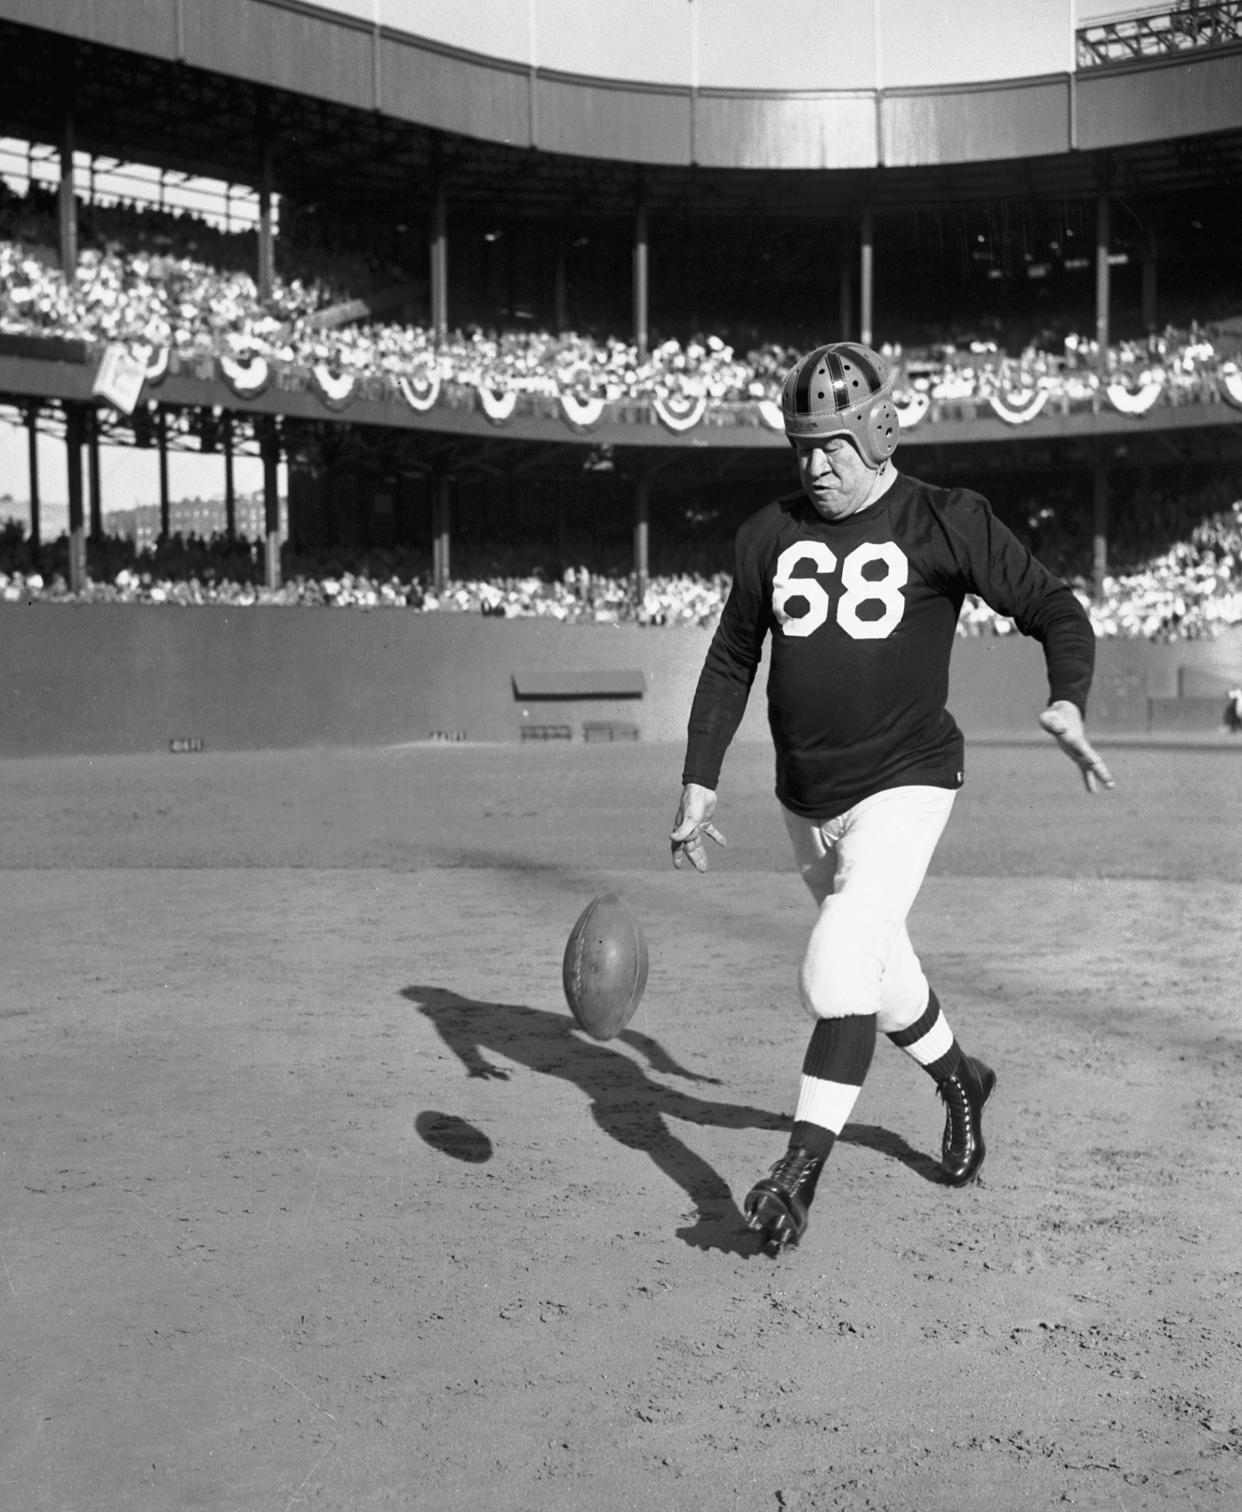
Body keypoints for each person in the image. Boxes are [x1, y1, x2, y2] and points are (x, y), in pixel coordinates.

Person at [668, 341, 1115, 1252]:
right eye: (801, 445)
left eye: (831, 443)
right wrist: (700, 778)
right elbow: (730, 660)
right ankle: (962, 1080)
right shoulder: (766, 535)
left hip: (907, 783)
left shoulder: (945, 520)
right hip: (806, 800)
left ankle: (795, 1180)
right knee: (883, 973)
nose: (813, 463)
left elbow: (1055, 607)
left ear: (879, 431)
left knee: (836, 969)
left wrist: (1068, 696)